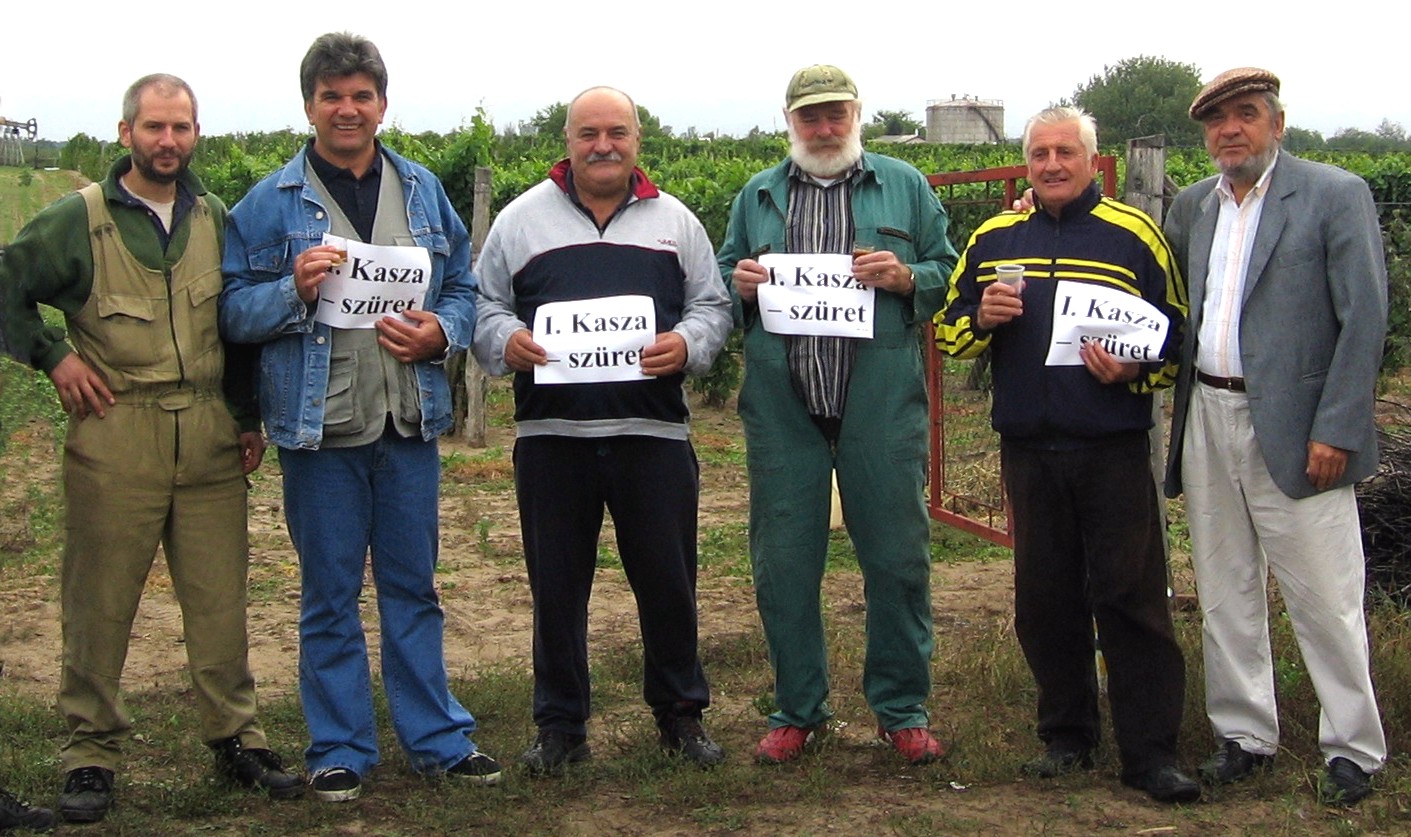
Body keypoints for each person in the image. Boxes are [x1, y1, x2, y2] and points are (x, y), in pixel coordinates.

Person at [0, 73, 301, 823]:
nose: (168, 141)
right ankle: (91, 752)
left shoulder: (215, 218)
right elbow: (5, 285)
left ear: (195, 134)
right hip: (117, 428)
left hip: (205, 432)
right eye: (154, 127)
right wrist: (52, 356)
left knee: (219, 597)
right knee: (98, 599)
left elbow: (234, 328)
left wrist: (245, 415)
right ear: (125, 131)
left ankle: (237, 738)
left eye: (181, 128)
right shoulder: (81, 219)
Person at [219, 33, 497, 801]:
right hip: (322, 432)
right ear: (308, 105)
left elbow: (463, 289)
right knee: (329, 593)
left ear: (382, 103)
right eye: (331, 95)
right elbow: (232, 313)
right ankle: (339, 745)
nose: (347, 108)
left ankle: (439, 738)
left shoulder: (422, 190)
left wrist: (443, 331)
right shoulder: (267, 204)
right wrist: (291, 292)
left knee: (414, 586)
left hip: (406, 424)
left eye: (361, 95)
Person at [935, 106, 1199, 803]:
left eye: (1065, 152)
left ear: (1090, 160)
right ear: (1026, 163)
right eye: (1039, 153)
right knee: (1043, 599)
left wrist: (1131, 372)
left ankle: (1150, 752)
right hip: (1027, 446)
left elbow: (1174, 338)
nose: (1051, 164)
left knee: (1129, 599)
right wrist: (979, 320)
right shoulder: (994, 236)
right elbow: (946, 334)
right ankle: (1067, 736)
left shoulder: (1134, 235)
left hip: (1111, 447)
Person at [473, 86, 731, 774]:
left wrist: (688, 343)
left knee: (668, 582)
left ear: (637, 139)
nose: (602, 145)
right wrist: (507, 340)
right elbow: (482, 305)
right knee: (555, 588)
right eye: (588, 132)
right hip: (552, 438)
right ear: (567, 140)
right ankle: (560, 726)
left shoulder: (675, 221)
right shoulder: (519, 220)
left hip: (654, 436)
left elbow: (712, 304)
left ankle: (680, 715)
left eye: (616, 131)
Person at [717, 65, 955, 766]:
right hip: (783, 405)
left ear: (857, 115)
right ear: (788, 122)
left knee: (897, 557)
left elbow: (945, 269)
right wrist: (743, 286)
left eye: (836, 115)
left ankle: (902, 707)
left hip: (878, 402)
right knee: (783, 562)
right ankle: (798, 707)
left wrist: (906, 277)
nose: (823, 129)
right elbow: (726, 276)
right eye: (809, 117)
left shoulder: (904, 186)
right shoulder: (758, 193)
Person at [1163, 67, 1389, 806]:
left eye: (1246, 115)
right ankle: (1244, 734)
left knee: (1324, 594)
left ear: (1276, 123)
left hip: (1297, 428)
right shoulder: (1193, 206)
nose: (1230, 129)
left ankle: (1352, 747)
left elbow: (1365, 319)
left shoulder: (1332, 194)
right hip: (1207, 417)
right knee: (1225, 587)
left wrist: (1338, 427)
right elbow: (1161, 297)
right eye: (1217, 120)